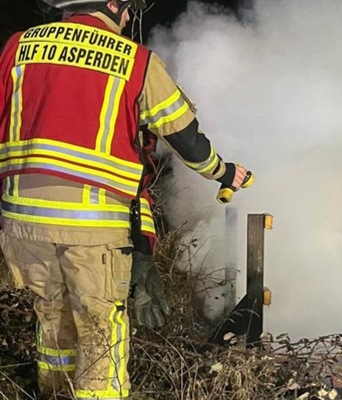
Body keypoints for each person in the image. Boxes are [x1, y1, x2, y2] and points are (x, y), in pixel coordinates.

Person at [0, 1, 250, 398]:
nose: (130, 16)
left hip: (23, 226)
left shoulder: (18, 47)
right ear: (113, 5)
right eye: (128, 7)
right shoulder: (135, 61)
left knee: (52, 325)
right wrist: (223, 172)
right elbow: (184, 136)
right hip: (92, 230)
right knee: (102, 339)